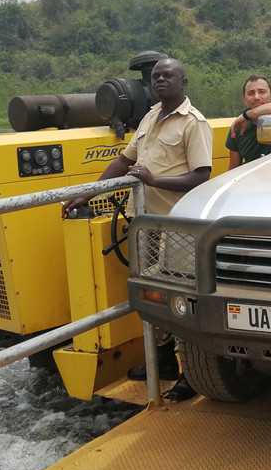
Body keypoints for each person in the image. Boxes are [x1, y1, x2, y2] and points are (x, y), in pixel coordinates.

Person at [62, 55, 212, 401]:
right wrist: (86, 195)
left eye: (168, 76)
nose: (160, 81)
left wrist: (154, 179)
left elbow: (202, 177)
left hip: (177, 226)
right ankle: (162, 361)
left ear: (183, 83)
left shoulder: (194, 123)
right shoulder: (149, 117)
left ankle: (190, 370)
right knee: (150, 292)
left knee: (179, 296)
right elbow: (123, 161)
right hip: (145, 224)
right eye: (156, 77)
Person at [226, 75, 271, 168]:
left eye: (262, 92)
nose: (256, 97)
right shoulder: (238, 128)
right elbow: (233, 170)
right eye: (251, 93)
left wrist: (246, 115)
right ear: (244, 99)